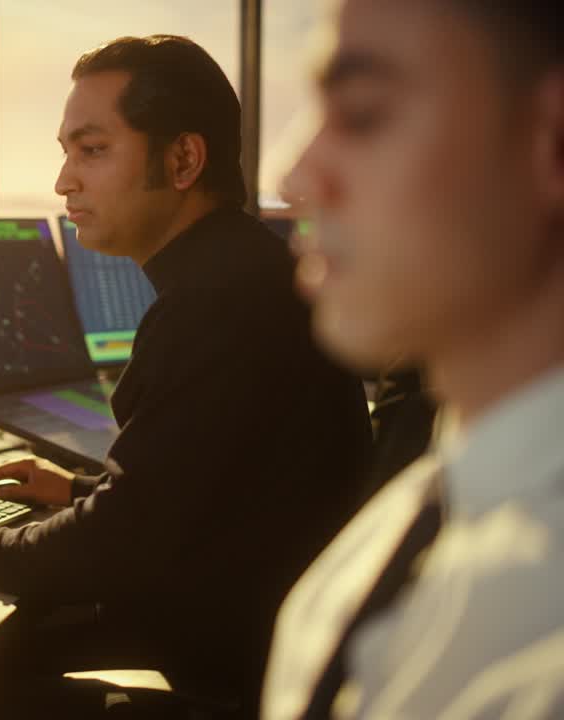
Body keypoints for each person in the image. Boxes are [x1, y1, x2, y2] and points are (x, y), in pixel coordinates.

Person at [0, 35, 374, 717]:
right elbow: (205, 491)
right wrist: (79, 488)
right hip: (250, 643)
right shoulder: (246, 274)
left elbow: (117, 547)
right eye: (66, 152)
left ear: (183, 159)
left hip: (244, 682)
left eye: (92, 150)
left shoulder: (216, 303)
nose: (65, 180)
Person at [261, 1, 564, 718]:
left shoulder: (536, 653)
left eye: (363, 113)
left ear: (553, 142)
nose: (294, 173)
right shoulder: (420, 514)